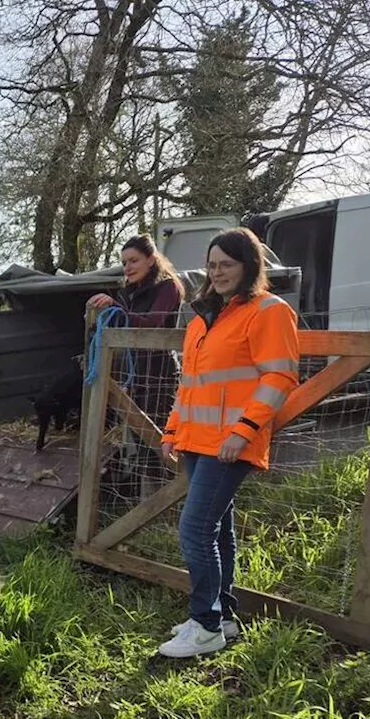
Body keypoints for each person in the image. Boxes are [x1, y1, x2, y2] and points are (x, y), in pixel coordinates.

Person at [156, 227, 300, 658]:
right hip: (198, 441)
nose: (217, 273)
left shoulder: (269, 310)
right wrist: (171, 430)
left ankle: (205, 626)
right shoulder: (203, 318)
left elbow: (280, 376)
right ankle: (223, 617)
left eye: (227, 265)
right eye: (212, 264)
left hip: (231, 442)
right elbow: (191, 385)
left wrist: (244, 431)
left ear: (249, 266)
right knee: (216, 532)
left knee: (194, 529)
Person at [86, 235, 186, 497]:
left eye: (134, 260)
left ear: (151, 259)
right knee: (139, 440)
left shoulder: (168, 288)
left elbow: (152, 322)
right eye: (124, 262)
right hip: (136, 372)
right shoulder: (129, 291)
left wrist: (116, 308)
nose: (128, 267)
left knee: (158, 440)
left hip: (158, 371)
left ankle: (166, 499)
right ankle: (147, 501)